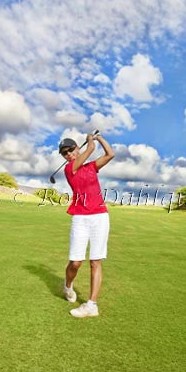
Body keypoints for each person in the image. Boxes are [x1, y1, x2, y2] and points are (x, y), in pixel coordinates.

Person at [59, 132, 115, 318]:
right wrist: (91, 139)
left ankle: (92, 305)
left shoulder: (91, 167)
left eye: (71, 149)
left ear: (77, 148)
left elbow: (110, 154)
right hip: (80, 217)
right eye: (64, 153)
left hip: (100, 216)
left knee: (95, 261)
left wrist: (99, 139)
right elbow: (90, 149)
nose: (68, 154)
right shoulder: (69, 169)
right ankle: (67, 286)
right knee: (75, 262)